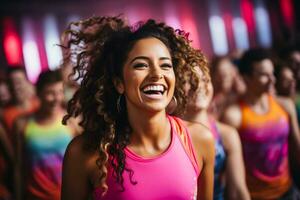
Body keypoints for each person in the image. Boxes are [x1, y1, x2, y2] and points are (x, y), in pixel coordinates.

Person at [61, 16, 215, 200]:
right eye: (141, 65)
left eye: (165, 65)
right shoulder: (86, 153)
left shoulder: (199, 139)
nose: (157, 74)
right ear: (119, 83)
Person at [222, 48, 300, 199]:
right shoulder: (234, 116)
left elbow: (297, 147)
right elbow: (230, 171)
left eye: (272, 73)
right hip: (256, 196)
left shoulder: (284, 106)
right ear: (246, 77)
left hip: (289, 190)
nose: (272, 79)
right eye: (264, 75)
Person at [181, 66, 250, 200]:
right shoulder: (166, 135)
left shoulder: (227, 135)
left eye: (204, 79)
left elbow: (238, 192)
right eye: (188, 80)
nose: (198, 86)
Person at [14, 70, 78, 200]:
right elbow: (18, 166)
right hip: (35, 196)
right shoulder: (22, 124)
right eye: (50, 93)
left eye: (60, 92)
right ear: (38, 93)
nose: (56, 98)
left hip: (68, 195)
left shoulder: (72, 121)